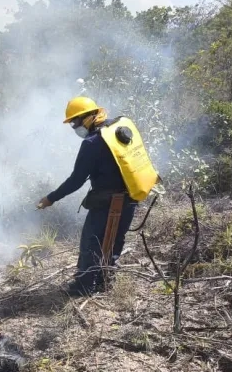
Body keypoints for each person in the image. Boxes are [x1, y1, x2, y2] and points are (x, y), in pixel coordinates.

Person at [38, 96, 157, 297]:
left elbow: (76, 180)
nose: (74, 127)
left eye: (75, 122)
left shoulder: (93, 142)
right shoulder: (116, 128)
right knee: (115, 240)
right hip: (130, 198)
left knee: (91, 242)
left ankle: (84, 286)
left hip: (107, 202)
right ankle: (105, 280)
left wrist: (51, 198)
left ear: (87, 117)